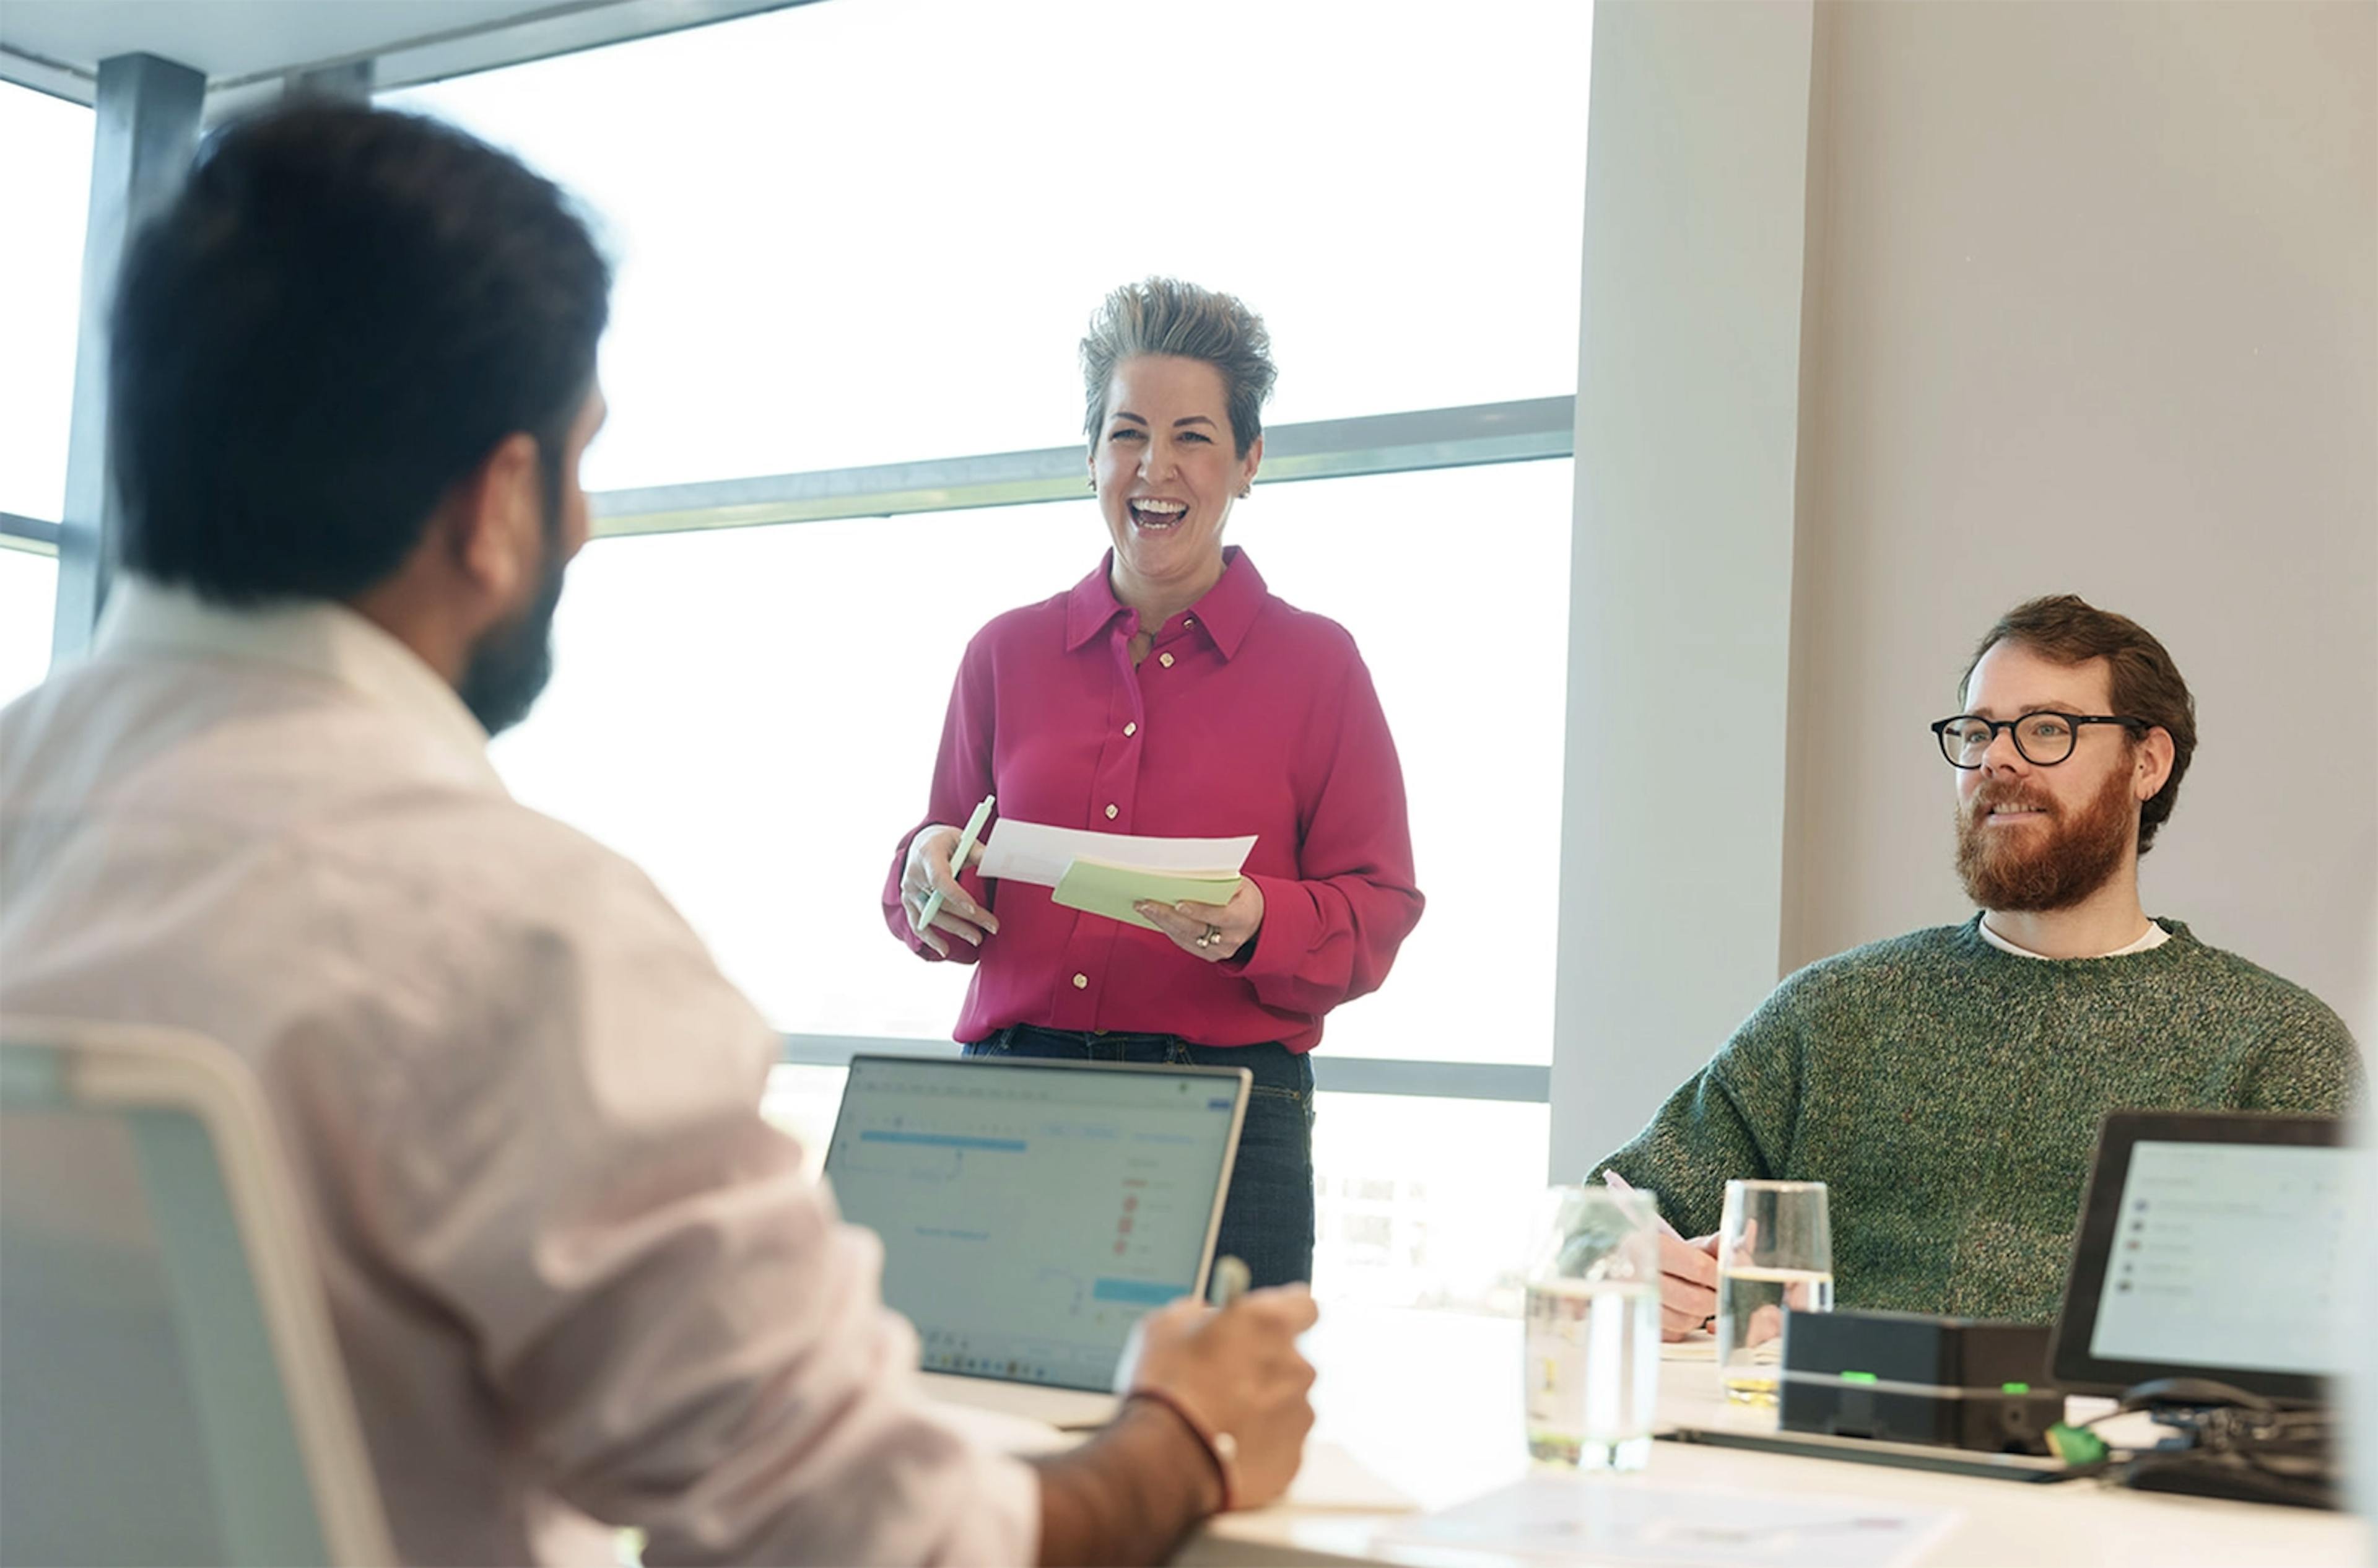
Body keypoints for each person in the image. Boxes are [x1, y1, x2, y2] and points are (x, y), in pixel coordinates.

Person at [0, 102, 1316, 1567]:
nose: (584, 524)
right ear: (497, 503)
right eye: (576, 463)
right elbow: (882, 1543)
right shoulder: (524, 944)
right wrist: (1179, 1438)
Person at [1593, 595, 2360, 1334]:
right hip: (1826, 1452)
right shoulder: (1835, 1011)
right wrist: (1624, 1266)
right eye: (1978, 732)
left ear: (2147, 762)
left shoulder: (2274, 1048)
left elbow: (2325, 1341)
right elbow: (1602, 1219)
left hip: (2109, 1465)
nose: (1997, 760)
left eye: (2047, 730)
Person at [882, 278, 1426, 1290]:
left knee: (1211, 1441)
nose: (1155, 467)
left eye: (1195, 436)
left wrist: (1261, 916)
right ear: (1091, 456)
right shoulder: (1005, 653)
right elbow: (939, 859)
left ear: (1249, 462)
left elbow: (1380, 908)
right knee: (983, 1423)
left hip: (1226, 1122)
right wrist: (923, 873)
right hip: (1010, 1104)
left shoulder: (1320, 667)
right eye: (1128, 432)